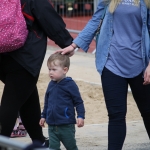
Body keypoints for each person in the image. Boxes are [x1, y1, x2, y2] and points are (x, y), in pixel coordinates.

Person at [55, 0, 150, 149]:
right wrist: (75, 45)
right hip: (111, 62)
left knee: (147, 111)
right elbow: (96, 20)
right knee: (116, 115)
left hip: (141, 64)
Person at [0, 0, 73, 146]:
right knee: (11, 104)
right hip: (24, 57)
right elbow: (49, 19)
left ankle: (39, 141)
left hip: (2, 54)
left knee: (26, 98)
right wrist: (67, 43)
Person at [39, 53, 85, 150]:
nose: (50, 72)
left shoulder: (70, 85)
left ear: (65, 70)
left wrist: (80, 116)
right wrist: (43, 116)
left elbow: (78, 102)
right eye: (49, 69)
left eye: (54, 69)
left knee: (71, 147)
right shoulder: (51, 84)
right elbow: (47, 102)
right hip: (51, 125)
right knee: (53, 148)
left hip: (66, 125)